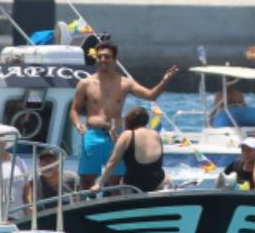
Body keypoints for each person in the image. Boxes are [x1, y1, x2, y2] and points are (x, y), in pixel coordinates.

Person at [70, 41, 180, 189]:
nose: (103, 60)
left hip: (116, 136)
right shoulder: (85, 83)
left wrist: (165, 80)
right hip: (92, 134)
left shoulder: (125, 83)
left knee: (116, 180)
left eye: (107, 57)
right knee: (87, 179)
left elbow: (150, 95)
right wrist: (78, 124)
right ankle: (84, 207)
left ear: (114, 60)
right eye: (100, 56)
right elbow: (74, 109)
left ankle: (112, 208)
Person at [99, 107, 168, 193]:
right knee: (166, 177)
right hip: (157, 183)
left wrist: (99, 184)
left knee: (115, 182)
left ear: (129, 121)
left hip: (133, 185)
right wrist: (116, 139)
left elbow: (112, 163)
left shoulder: (127, 135)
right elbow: (137, 146)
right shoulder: (155, 134)